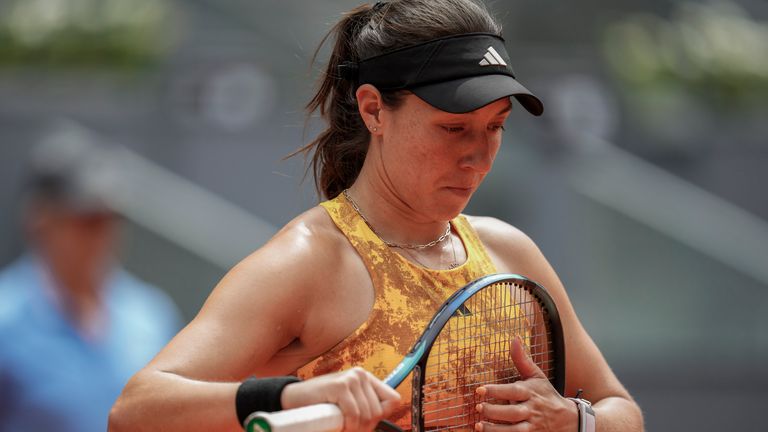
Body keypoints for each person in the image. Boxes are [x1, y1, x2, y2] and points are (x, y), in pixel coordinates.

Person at [110, 1, 644, 431]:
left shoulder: (510, 251)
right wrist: (294, 395)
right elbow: (136, 410)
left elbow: (621, 409)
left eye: (496, 126)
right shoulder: (308, 262)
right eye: (454, 127)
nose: (478, 155)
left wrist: (574, 420)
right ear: (373, 110)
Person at [0, 132, 182, 432]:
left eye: (109, 220)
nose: (100, 236)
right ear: (41, 219)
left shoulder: (150, 313)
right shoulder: (6, 319)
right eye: (85, 220)